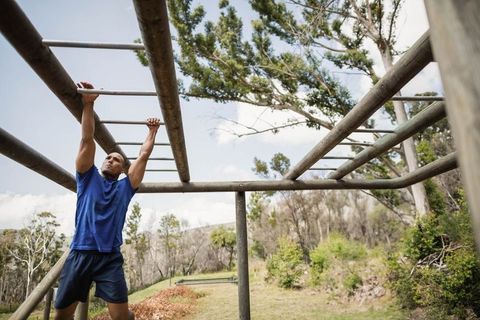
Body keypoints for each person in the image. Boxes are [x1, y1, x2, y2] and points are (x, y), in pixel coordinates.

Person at [54, 82, 160, 320]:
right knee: (62, 316)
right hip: (80, 253)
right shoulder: (87, 178)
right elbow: (87, 139)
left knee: (122, 317)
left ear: (123, 169)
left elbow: (143, 155)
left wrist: (152, 131)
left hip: (109, 257)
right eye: (107, 157)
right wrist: (88, 103)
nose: (110, 160)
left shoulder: (126, 187)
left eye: (116, 159)